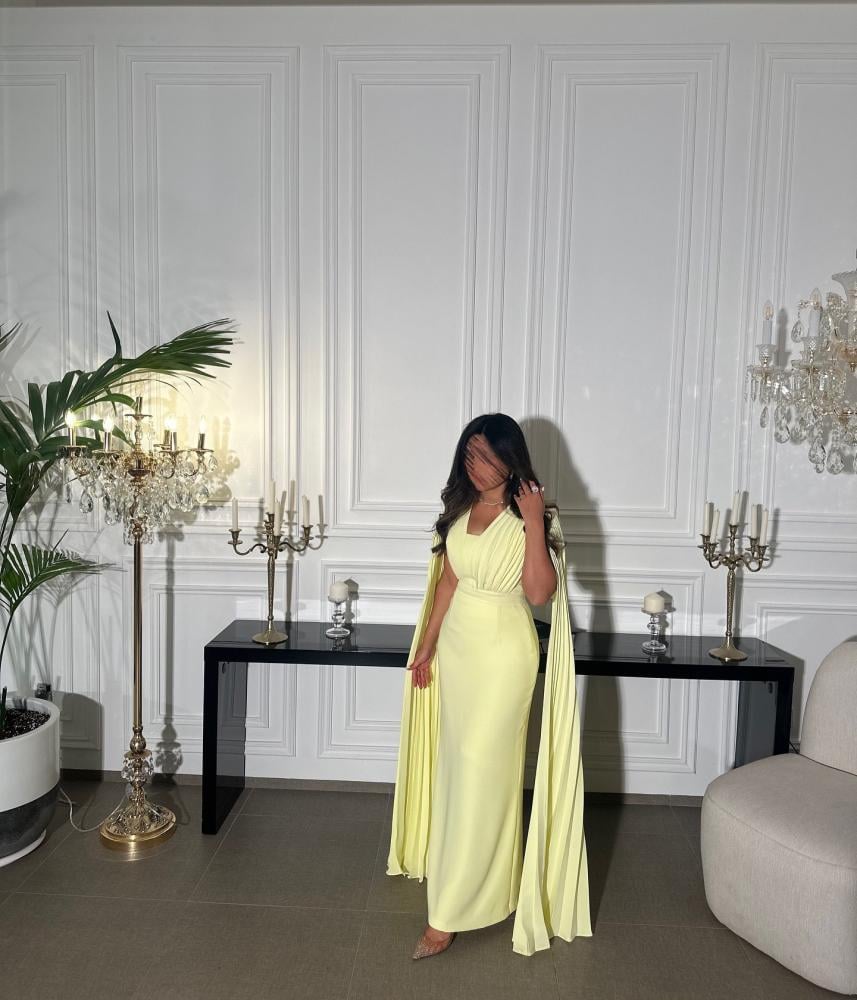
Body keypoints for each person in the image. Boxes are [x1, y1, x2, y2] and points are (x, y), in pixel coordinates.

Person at [386, 412, 592, 960]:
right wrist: (428, 643)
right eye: (469, 455)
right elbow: (449, 582)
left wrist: (532, 521)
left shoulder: (533, 515)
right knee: (461, 772)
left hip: (504, 654)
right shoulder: (460, 509)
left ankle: (448, 914)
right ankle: (481, 888)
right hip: (458, 652)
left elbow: (540, 594)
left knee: (482, 772)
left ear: (510, 457)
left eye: (487, 456)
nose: (476, 466)